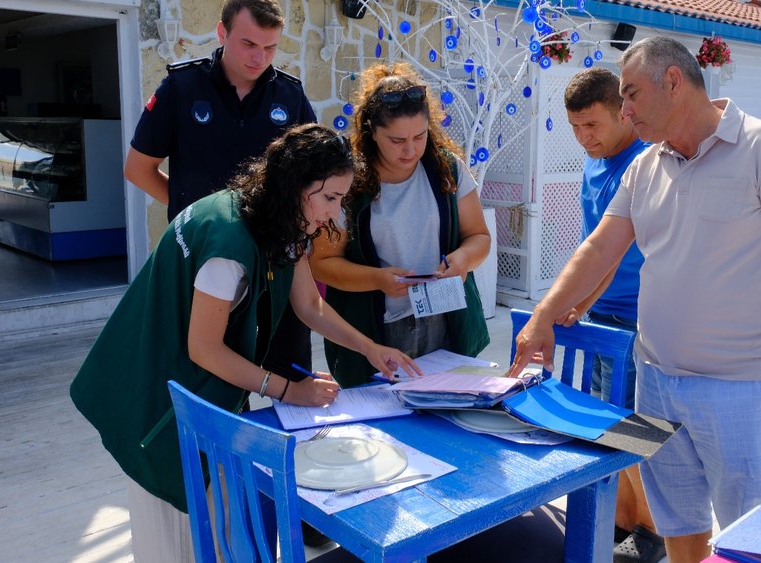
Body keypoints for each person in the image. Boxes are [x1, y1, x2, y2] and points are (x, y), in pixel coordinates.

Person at [509, 37, 761, 563]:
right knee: (678, 523)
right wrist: (545, 315)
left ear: (674, 82)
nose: (625, 109)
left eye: (631, 94)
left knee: (755, 534)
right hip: (655, 381)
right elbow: (598, 249)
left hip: (737, 385)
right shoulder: (645, 167)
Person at [71, 124, 419, 563]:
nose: (333, 214)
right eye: (330, 198)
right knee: (175, 539)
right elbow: (205, 349)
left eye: (340, 200)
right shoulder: (229, 245)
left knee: (217, 531)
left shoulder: (279, 218)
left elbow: (310, 305)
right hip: (154, 394)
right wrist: (290, 391)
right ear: (295, 185)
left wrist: (369, 348)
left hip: (192, 388)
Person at [123, 0, 319, 415]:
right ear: (221, 33)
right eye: (249, 43)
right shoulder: (181, 89)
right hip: (206, 266)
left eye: (269, 48)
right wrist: (203, 222)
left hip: (274, 264)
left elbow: (310, 176)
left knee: (293, 383)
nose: (258, 57)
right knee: (211, 384)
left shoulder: (290, 95)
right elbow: (139, 169)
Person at [311, 63, 491, 387]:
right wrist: (376, 279)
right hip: (376, 329)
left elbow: (479, 237)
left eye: (420, 136)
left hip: (445, 321)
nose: (410, 150)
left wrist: (463, 260)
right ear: (371, 132)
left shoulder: (447, 169)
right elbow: (322, 264)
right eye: (396, 140)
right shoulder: (347, 182)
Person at [561, 68, 663, 563]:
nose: (585, 138)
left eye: (592, 125)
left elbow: (615, 253)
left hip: (640, 320)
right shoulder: (593, 161)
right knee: (610, 425)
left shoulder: (644, 163)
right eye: (576, 128)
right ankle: (622, 523)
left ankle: (653, 532)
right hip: (602, 315)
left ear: (622, 112)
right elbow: (589, 244)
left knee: (636, 429)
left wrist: (574, 303)